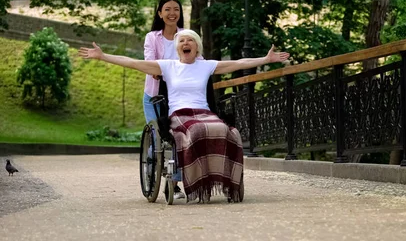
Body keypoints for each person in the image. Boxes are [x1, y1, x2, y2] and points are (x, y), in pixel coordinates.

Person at [79, 29, 290, 203]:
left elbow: (239, 63)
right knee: (197, 131)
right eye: (182, 40)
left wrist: (266, 58)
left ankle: (226, 181)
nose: (186, 43)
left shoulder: (206, 65)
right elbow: (133, 63)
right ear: (177, 47)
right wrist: (103, 56)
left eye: (190, 40)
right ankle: (197, 182)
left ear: (196, 47)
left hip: (204, 112)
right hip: (179, 114)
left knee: (228, 131)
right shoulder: (168, 66)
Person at [143, 0, 188, 124]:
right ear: (160, 14)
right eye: (167, 9)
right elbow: (150, 63)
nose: (172, 13)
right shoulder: (152, 37)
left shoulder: (187, 35)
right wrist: (156, 71)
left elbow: (198, 59)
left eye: (176, 9)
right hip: (154, 95)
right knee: (155, 136)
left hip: (181, 95)